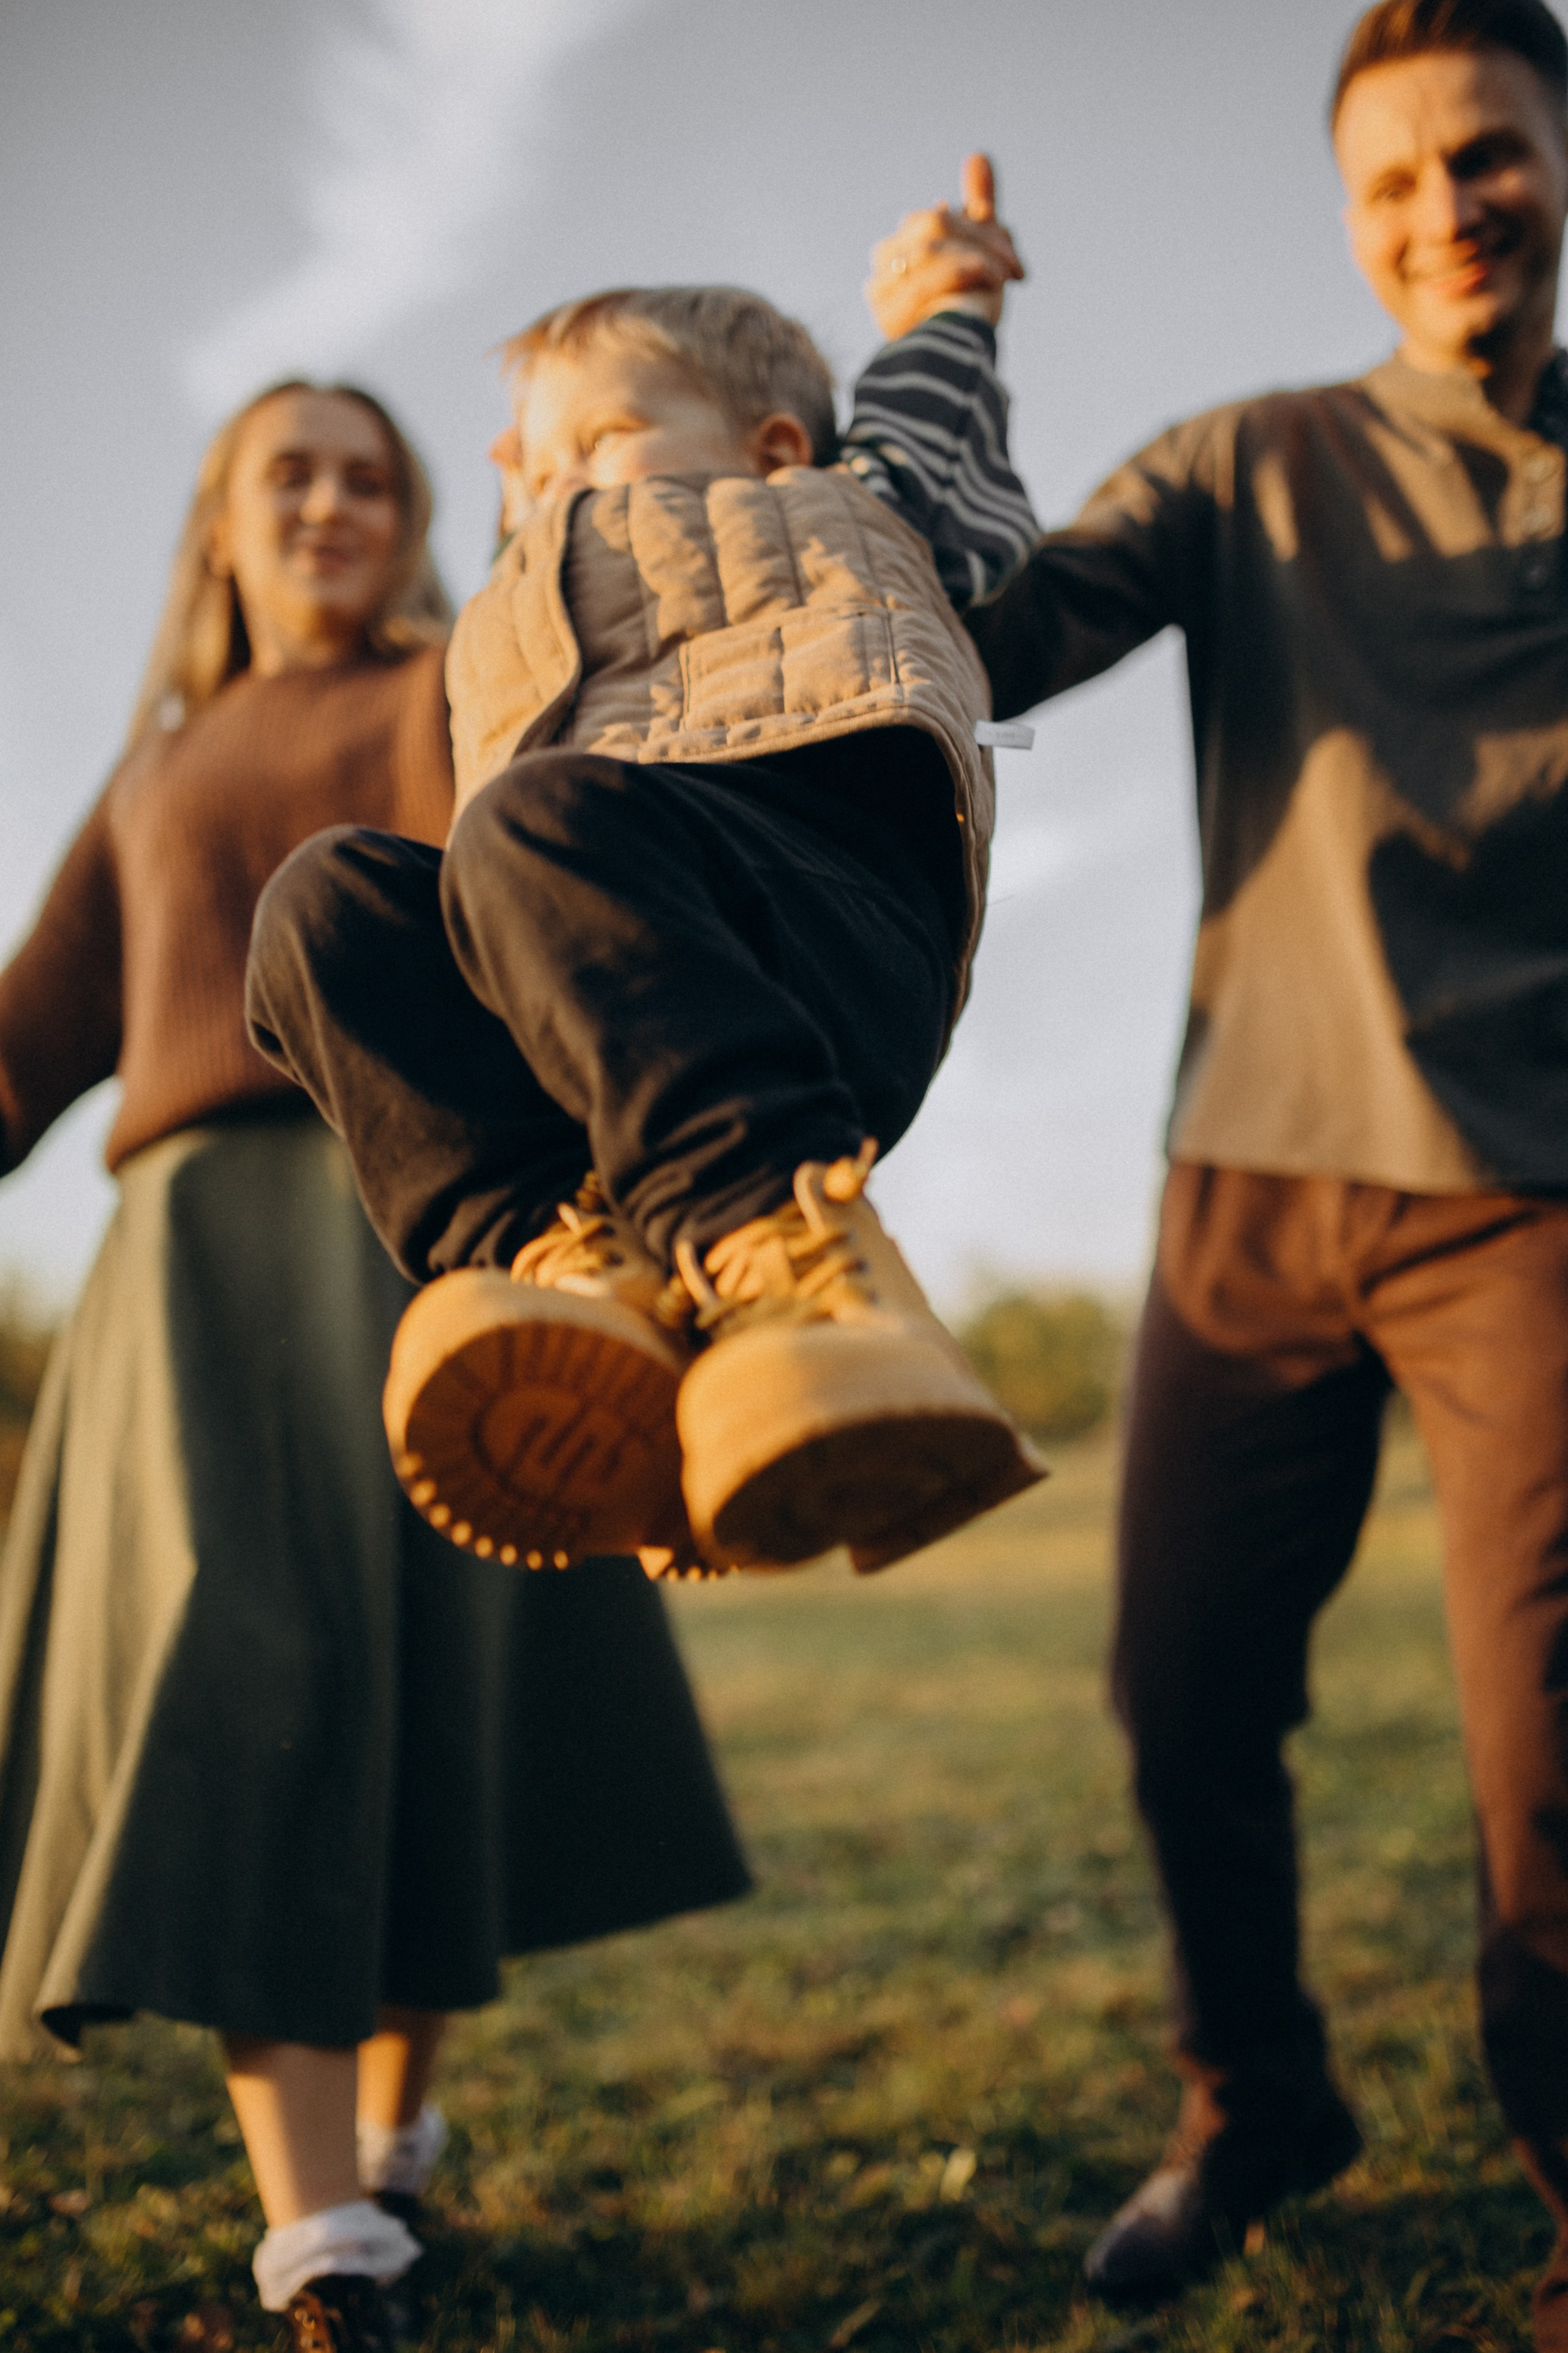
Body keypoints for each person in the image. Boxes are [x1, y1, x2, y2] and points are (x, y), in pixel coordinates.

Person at [869, 0, 1568, 2338]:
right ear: (1351, 220)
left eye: (1486, 158)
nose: (1446, 210)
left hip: (1533, 1204)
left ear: (1556, 162)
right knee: (1181, 1696)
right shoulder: (1256, 464)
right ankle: (1253, 2101)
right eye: (1394, 183)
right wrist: (947, 335)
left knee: (1549, 1765)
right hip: (1255, 1182)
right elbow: (975, 630)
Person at [0, 377, 752, 2352]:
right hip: (200, 1279)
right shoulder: (162, 766)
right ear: (222, 522)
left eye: (366, 476)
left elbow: (582, 870)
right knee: (258, 1665)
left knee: (447, 1665)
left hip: (447, 1223)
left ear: (407, 514)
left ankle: (397, 2136)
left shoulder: (463, 680)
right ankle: (322, 2237)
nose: (328, 504)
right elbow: (30, 1037)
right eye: (289, 475)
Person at [244, 208, 1045, 1585]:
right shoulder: (513, 605)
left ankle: (797, 1261)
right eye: (532, 468)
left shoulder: (851, 497)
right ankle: (578, 1279)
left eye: (597, 443)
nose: (552, 484)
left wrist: (948, 308)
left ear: (774, 448)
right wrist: (550, 444)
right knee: (321, 901)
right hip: (606, 980)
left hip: (818, 919)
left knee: (533, 817)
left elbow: (928, 426)